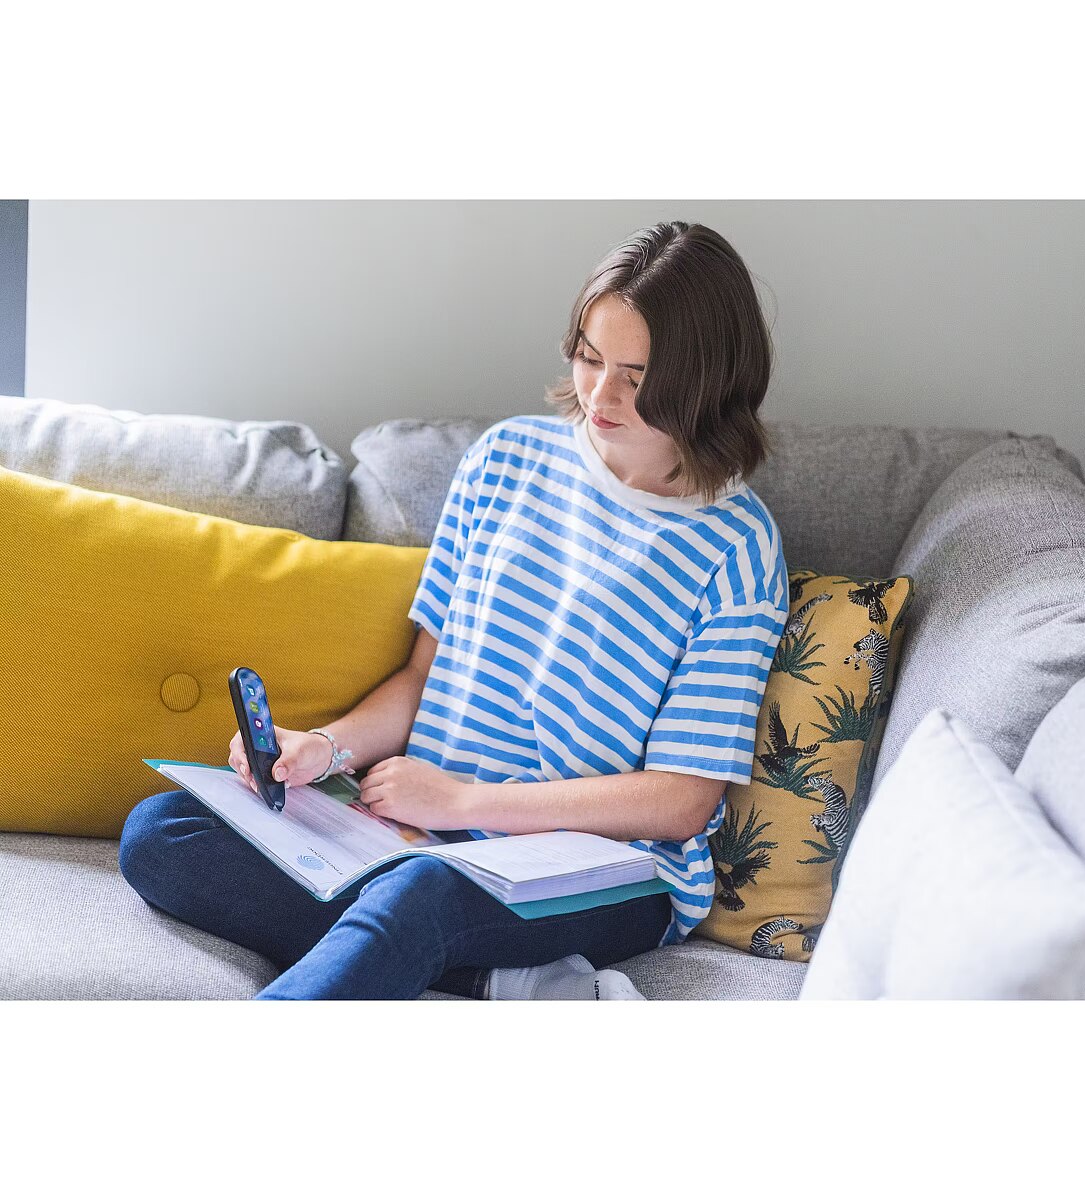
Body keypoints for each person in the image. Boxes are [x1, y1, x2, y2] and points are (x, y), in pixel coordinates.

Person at [119, 220, 790, 1000]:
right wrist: (325, 750)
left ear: (707, 380)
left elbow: (680, 801)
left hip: (612, 870)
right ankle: (489, 976)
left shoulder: (735, 546)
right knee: (162, 833)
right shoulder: (505, 460)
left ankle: (417, 943)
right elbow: (422, 679)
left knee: (422, 895)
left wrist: (463, 801)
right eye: (589, 358)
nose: (600, 396)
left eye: (636, 377)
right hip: (424, 835)